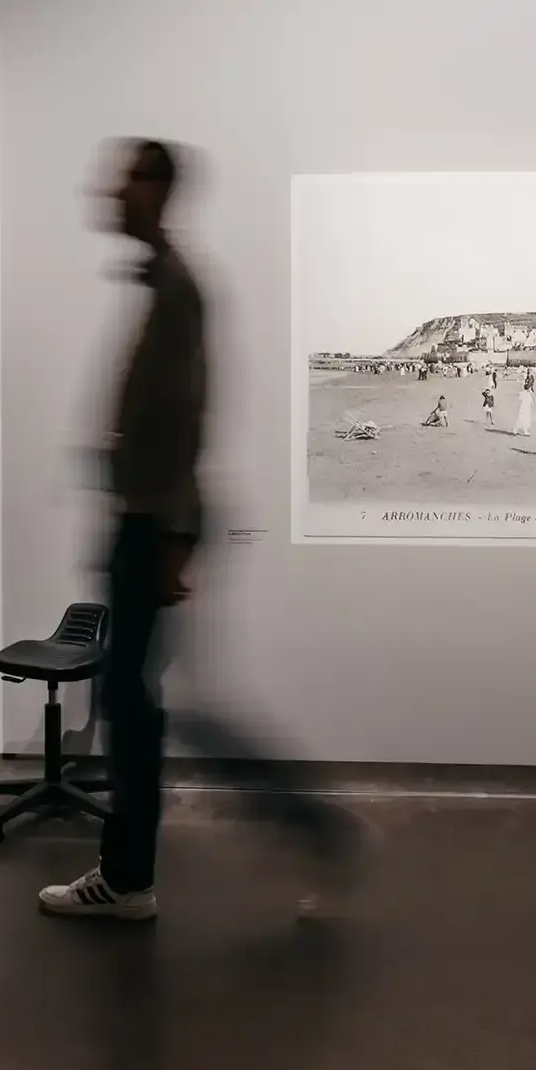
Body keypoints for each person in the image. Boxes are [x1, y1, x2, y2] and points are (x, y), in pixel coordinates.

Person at [37, 140, 359, 922]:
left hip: (155, 525)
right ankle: (146, 871)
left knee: (150, 704)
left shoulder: (178, 286)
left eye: (126, 181)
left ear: (160, 191)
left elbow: (189, 412)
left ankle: (154, 872)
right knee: (144, 701)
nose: (110, 192)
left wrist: (174, 535)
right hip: (147, 520)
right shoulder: (162, 283)